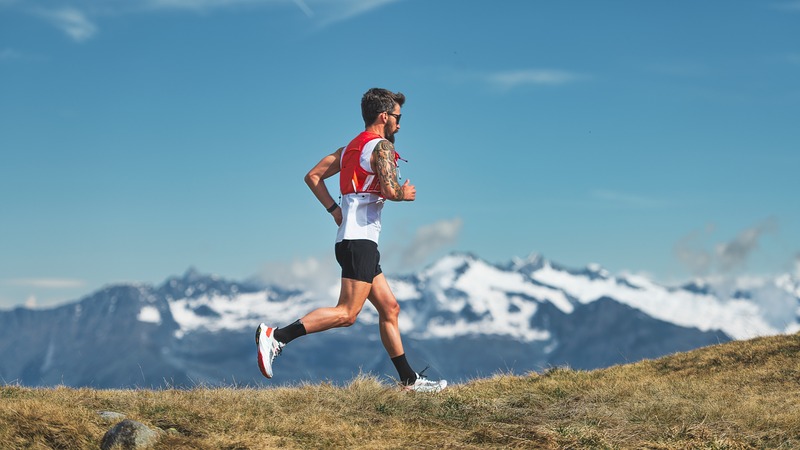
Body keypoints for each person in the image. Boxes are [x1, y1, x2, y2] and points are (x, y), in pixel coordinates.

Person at [256, 88, 447, 392]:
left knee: (390, 308)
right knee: (347, 313)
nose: (399, 124)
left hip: (353, 240)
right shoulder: (381, 146)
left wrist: (334, 209)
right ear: (384, 116)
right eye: (397, 117)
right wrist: (404, 194)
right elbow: (389, 190)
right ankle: (277, 337)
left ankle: (409, 381)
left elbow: (313, 176)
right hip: (360, 242)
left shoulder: (348, 150)